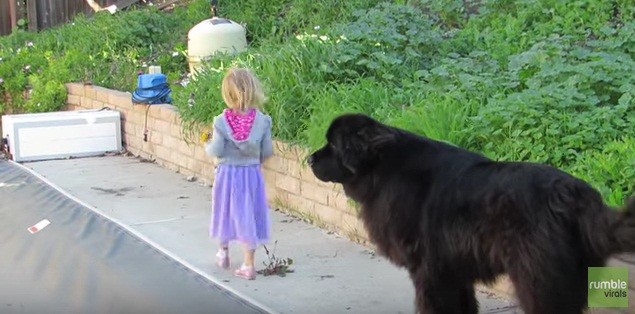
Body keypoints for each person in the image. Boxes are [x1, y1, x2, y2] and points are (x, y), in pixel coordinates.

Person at [204, 67, 273, 280]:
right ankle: (248, 264)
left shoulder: (220, 122)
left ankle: (223, 251)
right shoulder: (263, 121)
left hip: (227, 174)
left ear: (227, 93)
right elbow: (267, 151)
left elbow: (215, 150)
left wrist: (206, 145)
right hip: (251, 175)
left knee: (224, 211)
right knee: (248, 215)